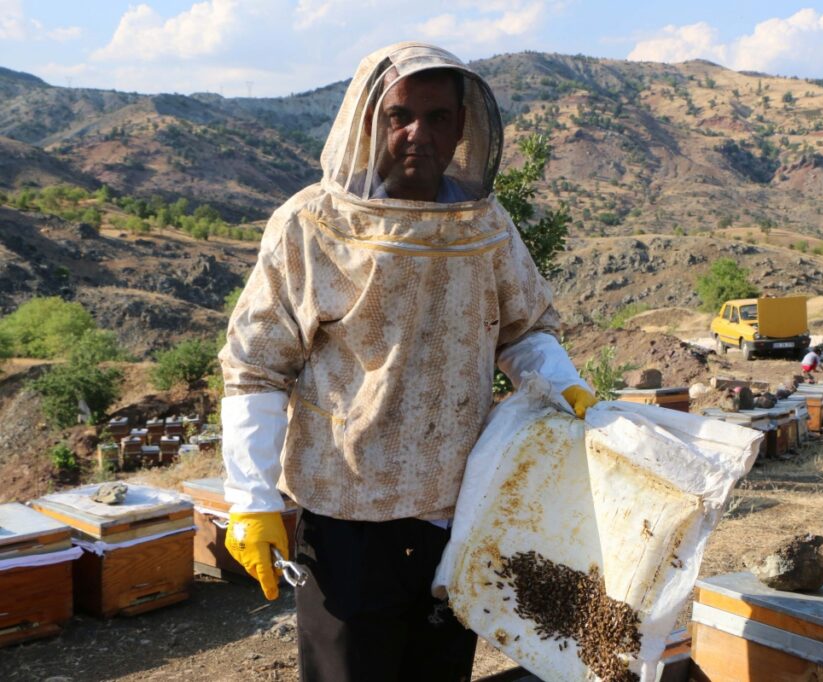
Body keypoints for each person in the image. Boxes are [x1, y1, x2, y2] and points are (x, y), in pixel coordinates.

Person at [217, 42, 597, 682]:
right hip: (348, 522)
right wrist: (251, 499)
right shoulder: (311, 225)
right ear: (370, 122)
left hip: (459, 513)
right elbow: (256, 367)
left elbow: (524, 329)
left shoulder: (486, 224)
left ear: (462, 127)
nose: (418, 133)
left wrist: (565, 385)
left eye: (439, 117)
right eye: (400, 115)